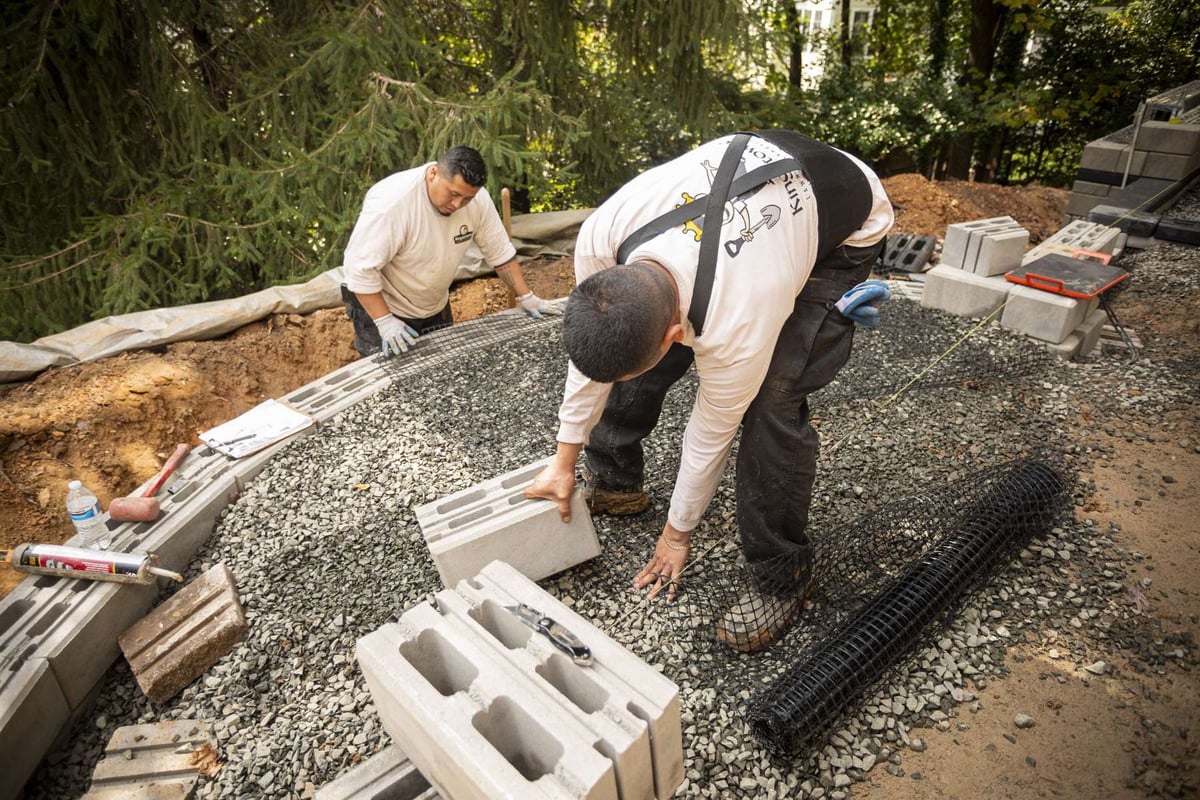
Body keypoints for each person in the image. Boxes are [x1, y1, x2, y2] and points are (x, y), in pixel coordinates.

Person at [525, 129, 894, 653]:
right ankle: (616, 479)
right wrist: (562, 460)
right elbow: (592, 358)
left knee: (772, 401)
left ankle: (781, 576)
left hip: (844, 217)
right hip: (758, 197)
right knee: (624, 352)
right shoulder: (602, 237)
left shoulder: (737, 319)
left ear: (679, 336)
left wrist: (678, 534)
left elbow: (710, 433)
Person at [341, 145, 559, 356]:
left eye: (467, 198)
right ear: (434, 173)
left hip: (434, 304)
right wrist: (384, 322)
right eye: (453, 194)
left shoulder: (477, 201)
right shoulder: (392, 205)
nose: (457, 205)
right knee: (391, 386)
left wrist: (527, 296)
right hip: (383, 307)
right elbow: (360, 271)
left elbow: (500, 253)